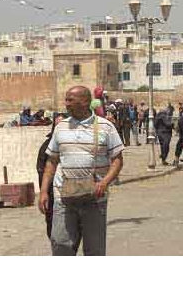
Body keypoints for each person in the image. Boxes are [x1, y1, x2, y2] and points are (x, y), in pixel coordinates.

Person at [39, 86, 124, 256]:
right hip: (63, 196)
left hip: (94, 197)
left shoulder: (105, 127)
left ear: (85, 102)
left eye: (70, 100)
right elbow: (52, 161)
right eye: (66, 99)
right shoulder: (60, 127)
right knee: (60, 243)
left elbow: (117, 160)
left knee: (94, 249)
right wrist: (43, 191)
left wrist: (104, 182)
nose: (66, 104)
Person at [37, 115, 66, 241]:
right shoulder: (46, 147)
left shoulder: (70, 143)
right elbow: (41, 171)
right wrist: (44, 192)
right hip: (52, 192)